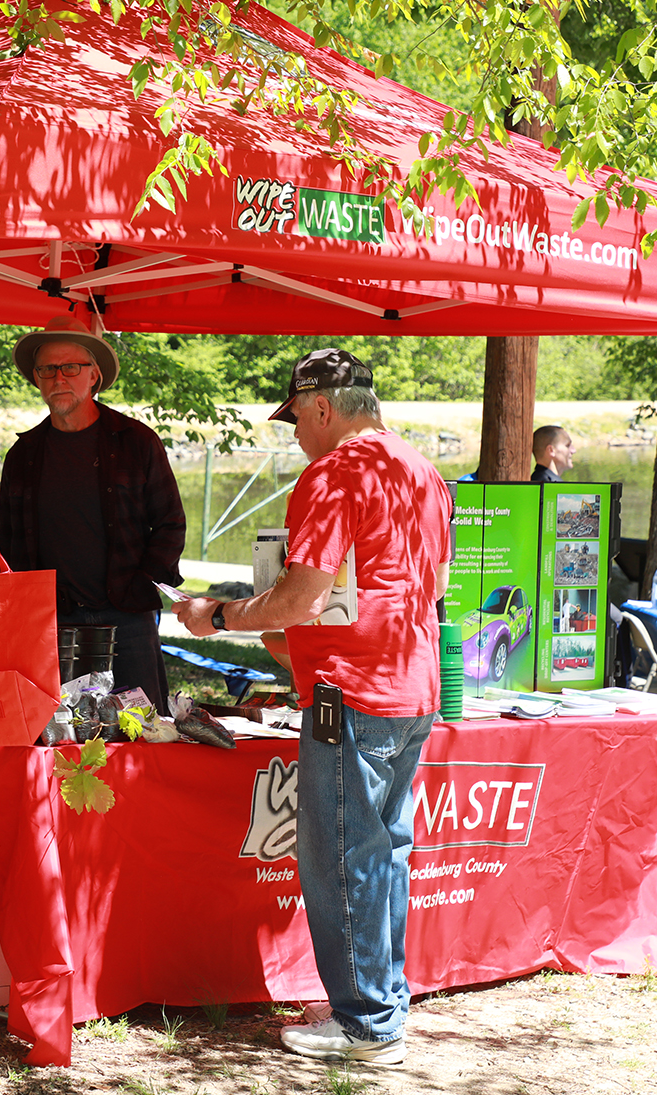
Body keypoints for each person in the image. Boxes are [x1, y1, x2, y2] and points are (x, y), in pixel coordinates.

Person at [174, 347, 451, 1067]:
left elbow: (302, 596)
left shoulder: (335, 472)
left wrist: (219, 617)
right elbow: (429, 587)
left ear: (323, 408)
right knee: (384, 848)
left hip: (350, 696)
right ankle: (379, 1001)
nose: (295, 432)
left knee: (339, 857)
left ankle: (366, 1023)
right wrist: (294, 638)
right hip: (410, 685)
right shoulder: (423, 471)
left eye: (296, 416)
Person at [0, 314, 186, 713]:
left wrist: (142, 584)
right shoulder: (24, 455)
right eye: (48, 369)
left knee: (143, 730)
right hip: (53, 622)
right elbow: (8, 541)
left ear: (94, 376)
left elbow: (170, 523)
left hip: (128, 618)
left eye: (70, 367)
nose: (58, 378)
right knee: (61, 738)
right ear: (36, 378)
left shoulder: (136, 442)